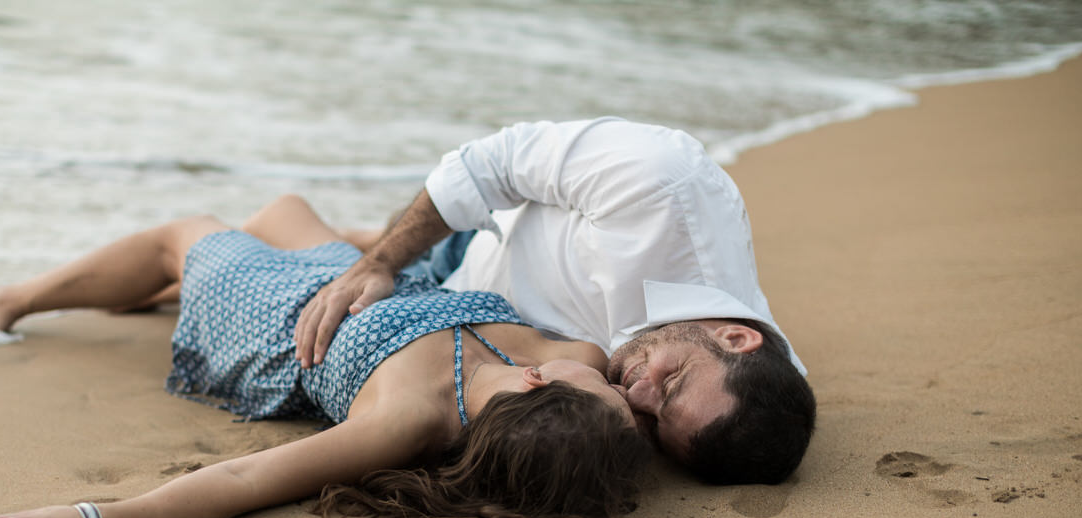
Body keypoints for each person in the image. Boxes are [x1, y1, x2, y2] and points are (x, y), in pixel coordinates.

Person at [0, 196, 651, 518]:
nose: (623, 386)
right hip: (363, 284)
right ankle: (174, 290)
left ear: (535, 384)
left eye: (612, 395)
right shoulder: (575, 353)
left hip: (279, 322)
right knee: (284, 208)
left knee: (184, 230)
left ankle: (8, 301)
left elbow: (245, 476)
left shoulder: (410, 417)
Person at [292, 118, 816, 485]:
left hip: (464, 322)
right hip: (469, 250)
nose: (635, 399)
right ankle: (356, 236)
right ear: (735, 336)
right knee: (320, 243)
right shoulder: (659, 186)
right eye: (671, 381)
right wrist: (380, 262)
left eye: (654, 427)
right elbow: (485, 166)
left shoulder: (749, 410)